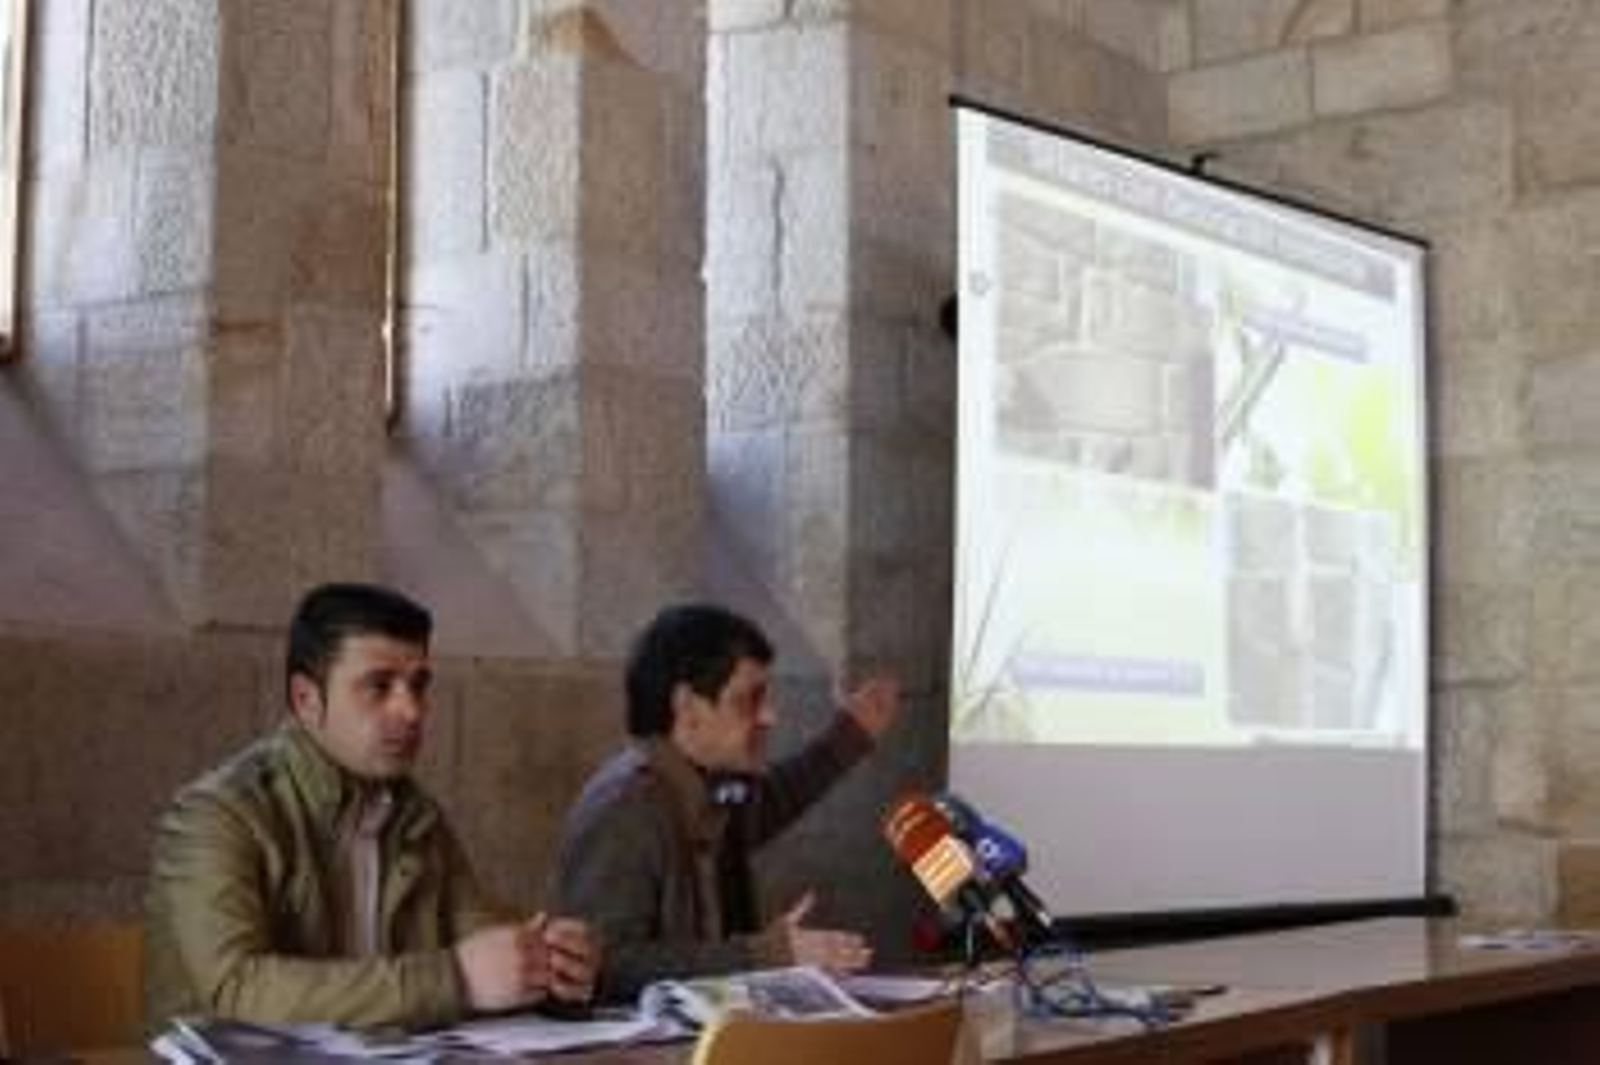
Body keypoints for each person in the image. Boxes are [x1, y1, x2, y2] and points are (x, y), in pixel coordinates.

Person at [144, 583, 598, 1031]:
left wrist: (547, 967)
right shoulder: (217, 814)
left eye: (418, 685)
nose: (411, 710)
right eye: (379, 686)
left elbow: (478, 945)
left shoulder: (417, 815)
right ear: (306, 700)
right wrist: (454, 978)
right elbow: (232, 989)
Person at [552, 602, 902, 1001]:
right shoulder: (625, 807)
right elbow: (603, 967)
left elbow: (774, 800)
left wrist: (850, 734)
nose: (769, 716)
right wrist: (767, 954)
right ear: (688, 707)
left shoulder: (711, 785)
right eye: (749, 700)